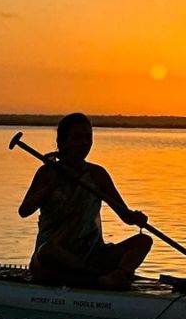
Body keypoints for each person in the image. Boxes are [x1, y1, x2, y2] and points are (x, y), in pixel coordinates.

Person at [19, 112, 153, 290]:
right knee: (47, 252)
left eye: (88, 138)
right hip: (55, 257)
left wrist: (137, 217)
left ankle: (118, 275)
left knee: (143, 241)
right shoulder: (47, 173)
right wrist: (52, 185)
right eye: (77, 138)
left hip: (93, 253)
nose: (84, 143)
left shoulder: (98, 175)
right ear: (62, 142)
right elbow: (24, 210)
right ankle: (100, 278)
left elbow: (125, 216)